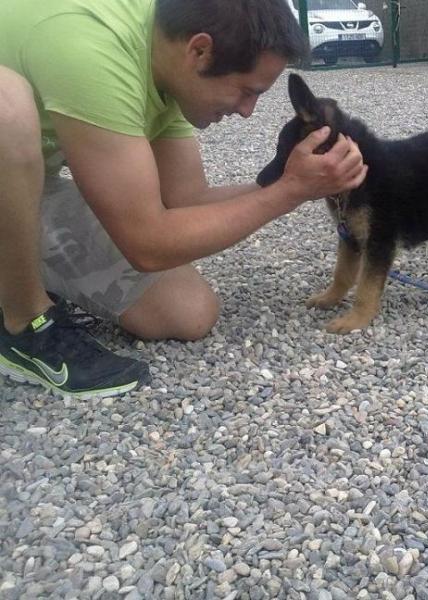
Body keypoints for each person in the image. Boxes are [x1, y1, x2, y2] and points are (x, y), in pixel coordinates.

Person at [0, 0, 368, 398]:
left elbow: (187, 200)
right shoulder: (92, 46)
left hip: (22, 184)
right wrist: (287, 191)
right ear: (199, 50)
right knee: (7, 109)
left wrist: (304, 185)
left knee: (186, 311)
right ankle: (24, 323)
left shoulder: (166, 63)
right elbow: (148, 245)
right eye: (247, 91)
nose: (248, 111)